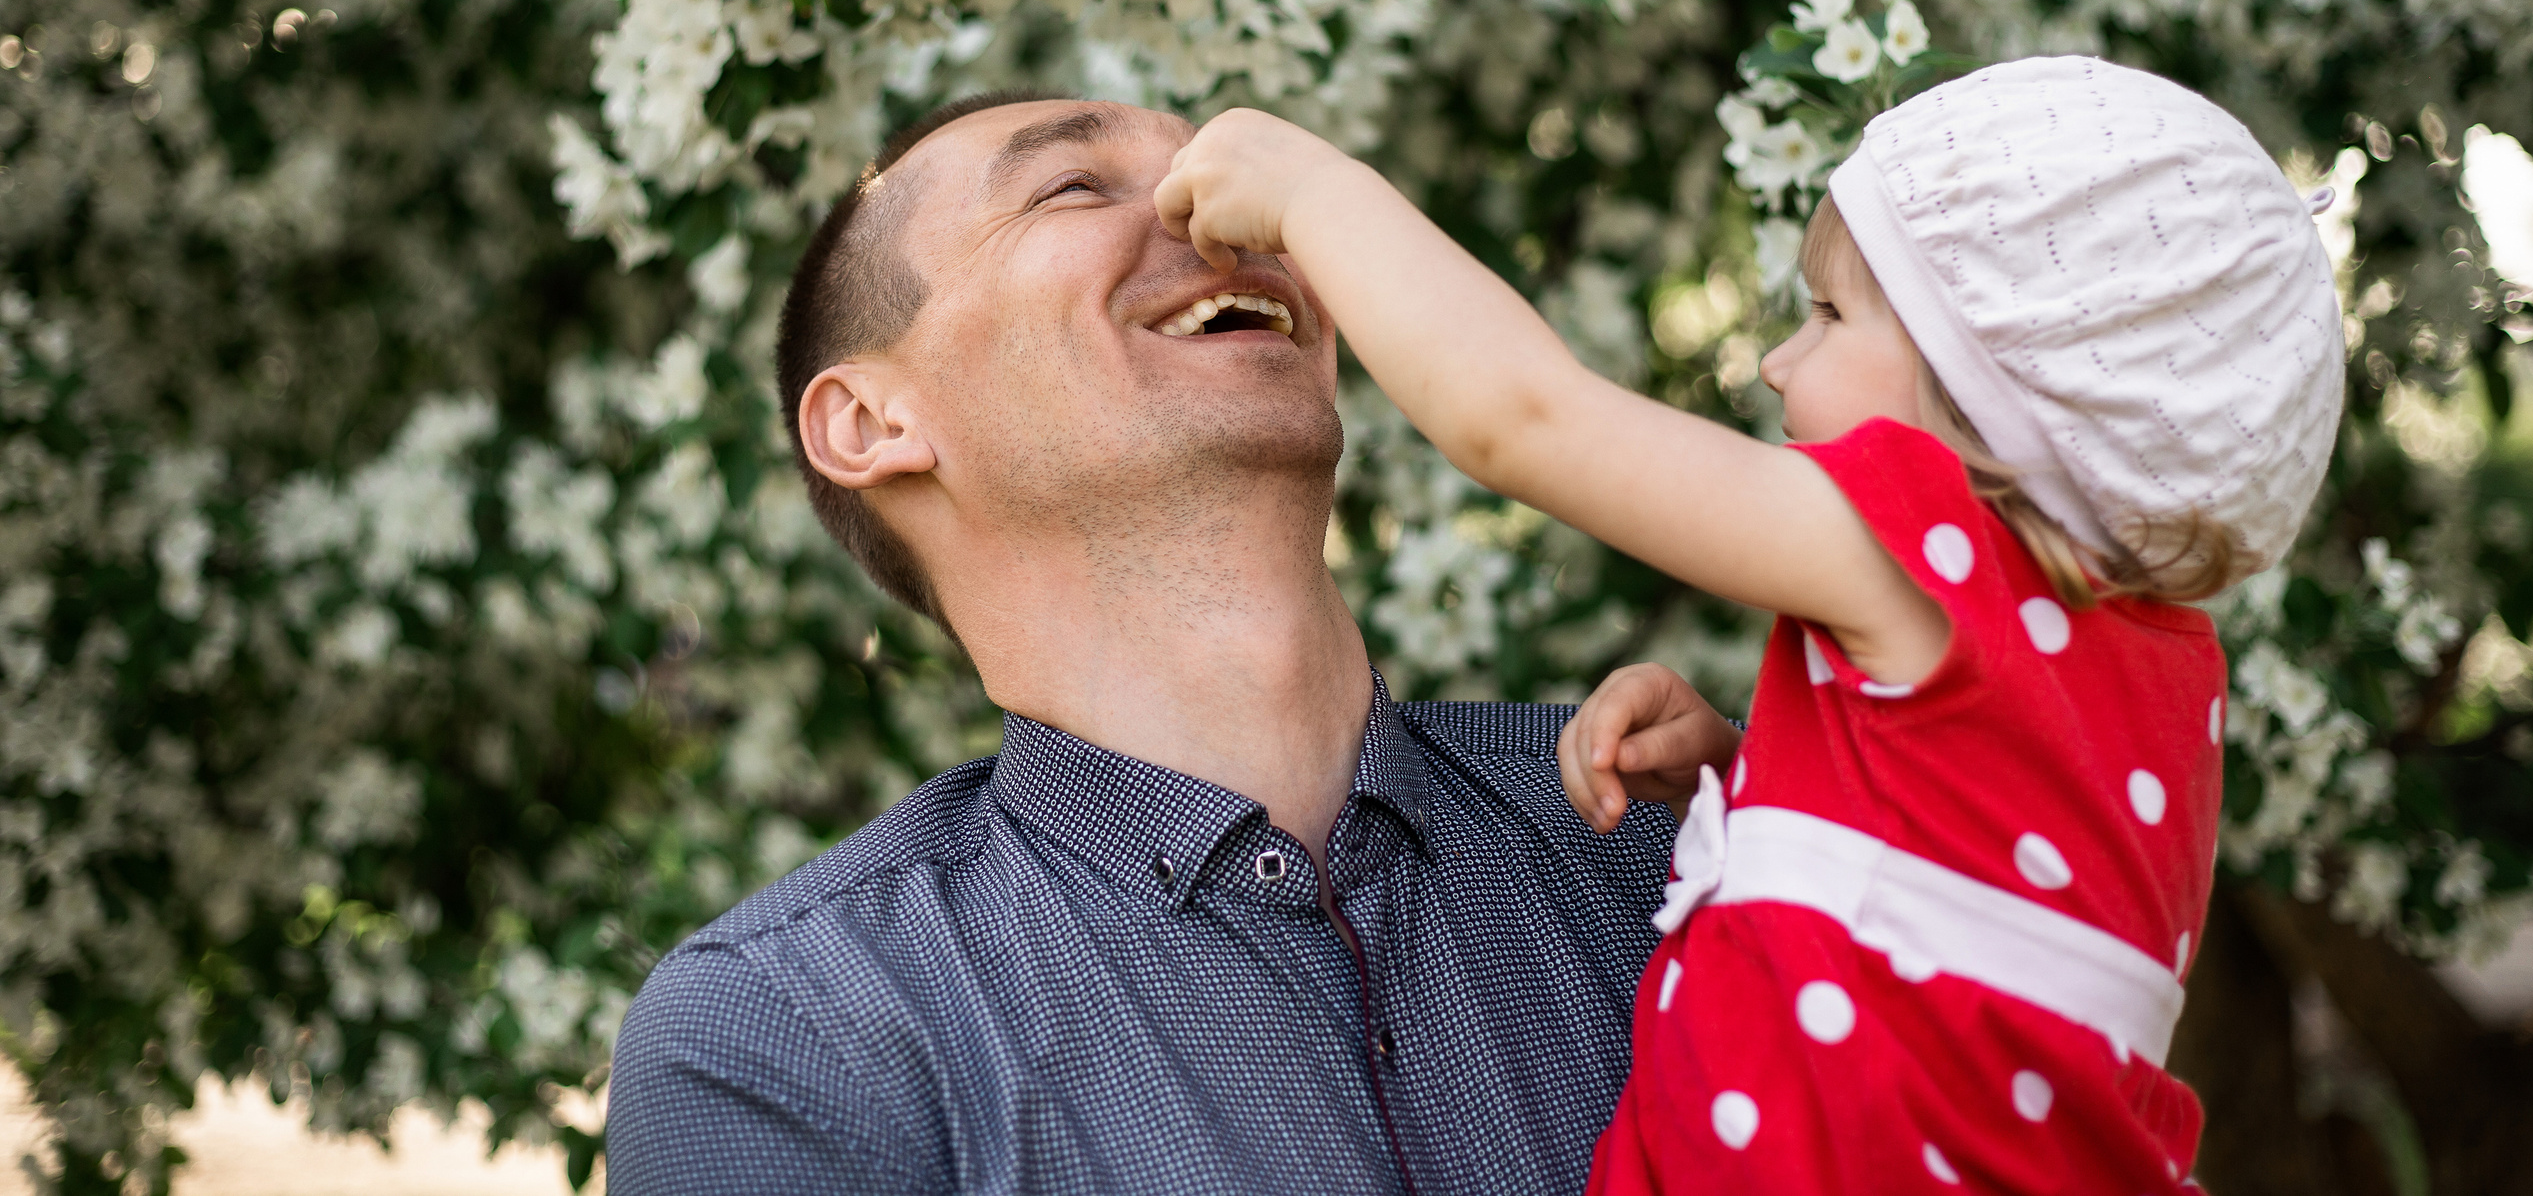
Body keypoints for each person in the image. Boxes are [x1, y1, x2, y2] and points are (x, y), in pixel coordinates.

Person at [1156, 55, 2346, 1194]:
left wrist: (1318, 195)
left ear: (1994, 396)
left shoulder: (1925, 548)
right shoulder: (2155, 663)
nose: (1780, 361)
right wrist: (1750, 767)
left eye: (1829, 314)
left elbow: (1523, 421)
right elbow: (1960, 897)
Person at [603, 92, 1737, 1196]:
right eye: (1074, 187)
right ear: (873, 423)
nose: (1220, 211)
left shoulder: (1681, 833)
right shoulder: (784, 1035)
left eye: (1219, 170)